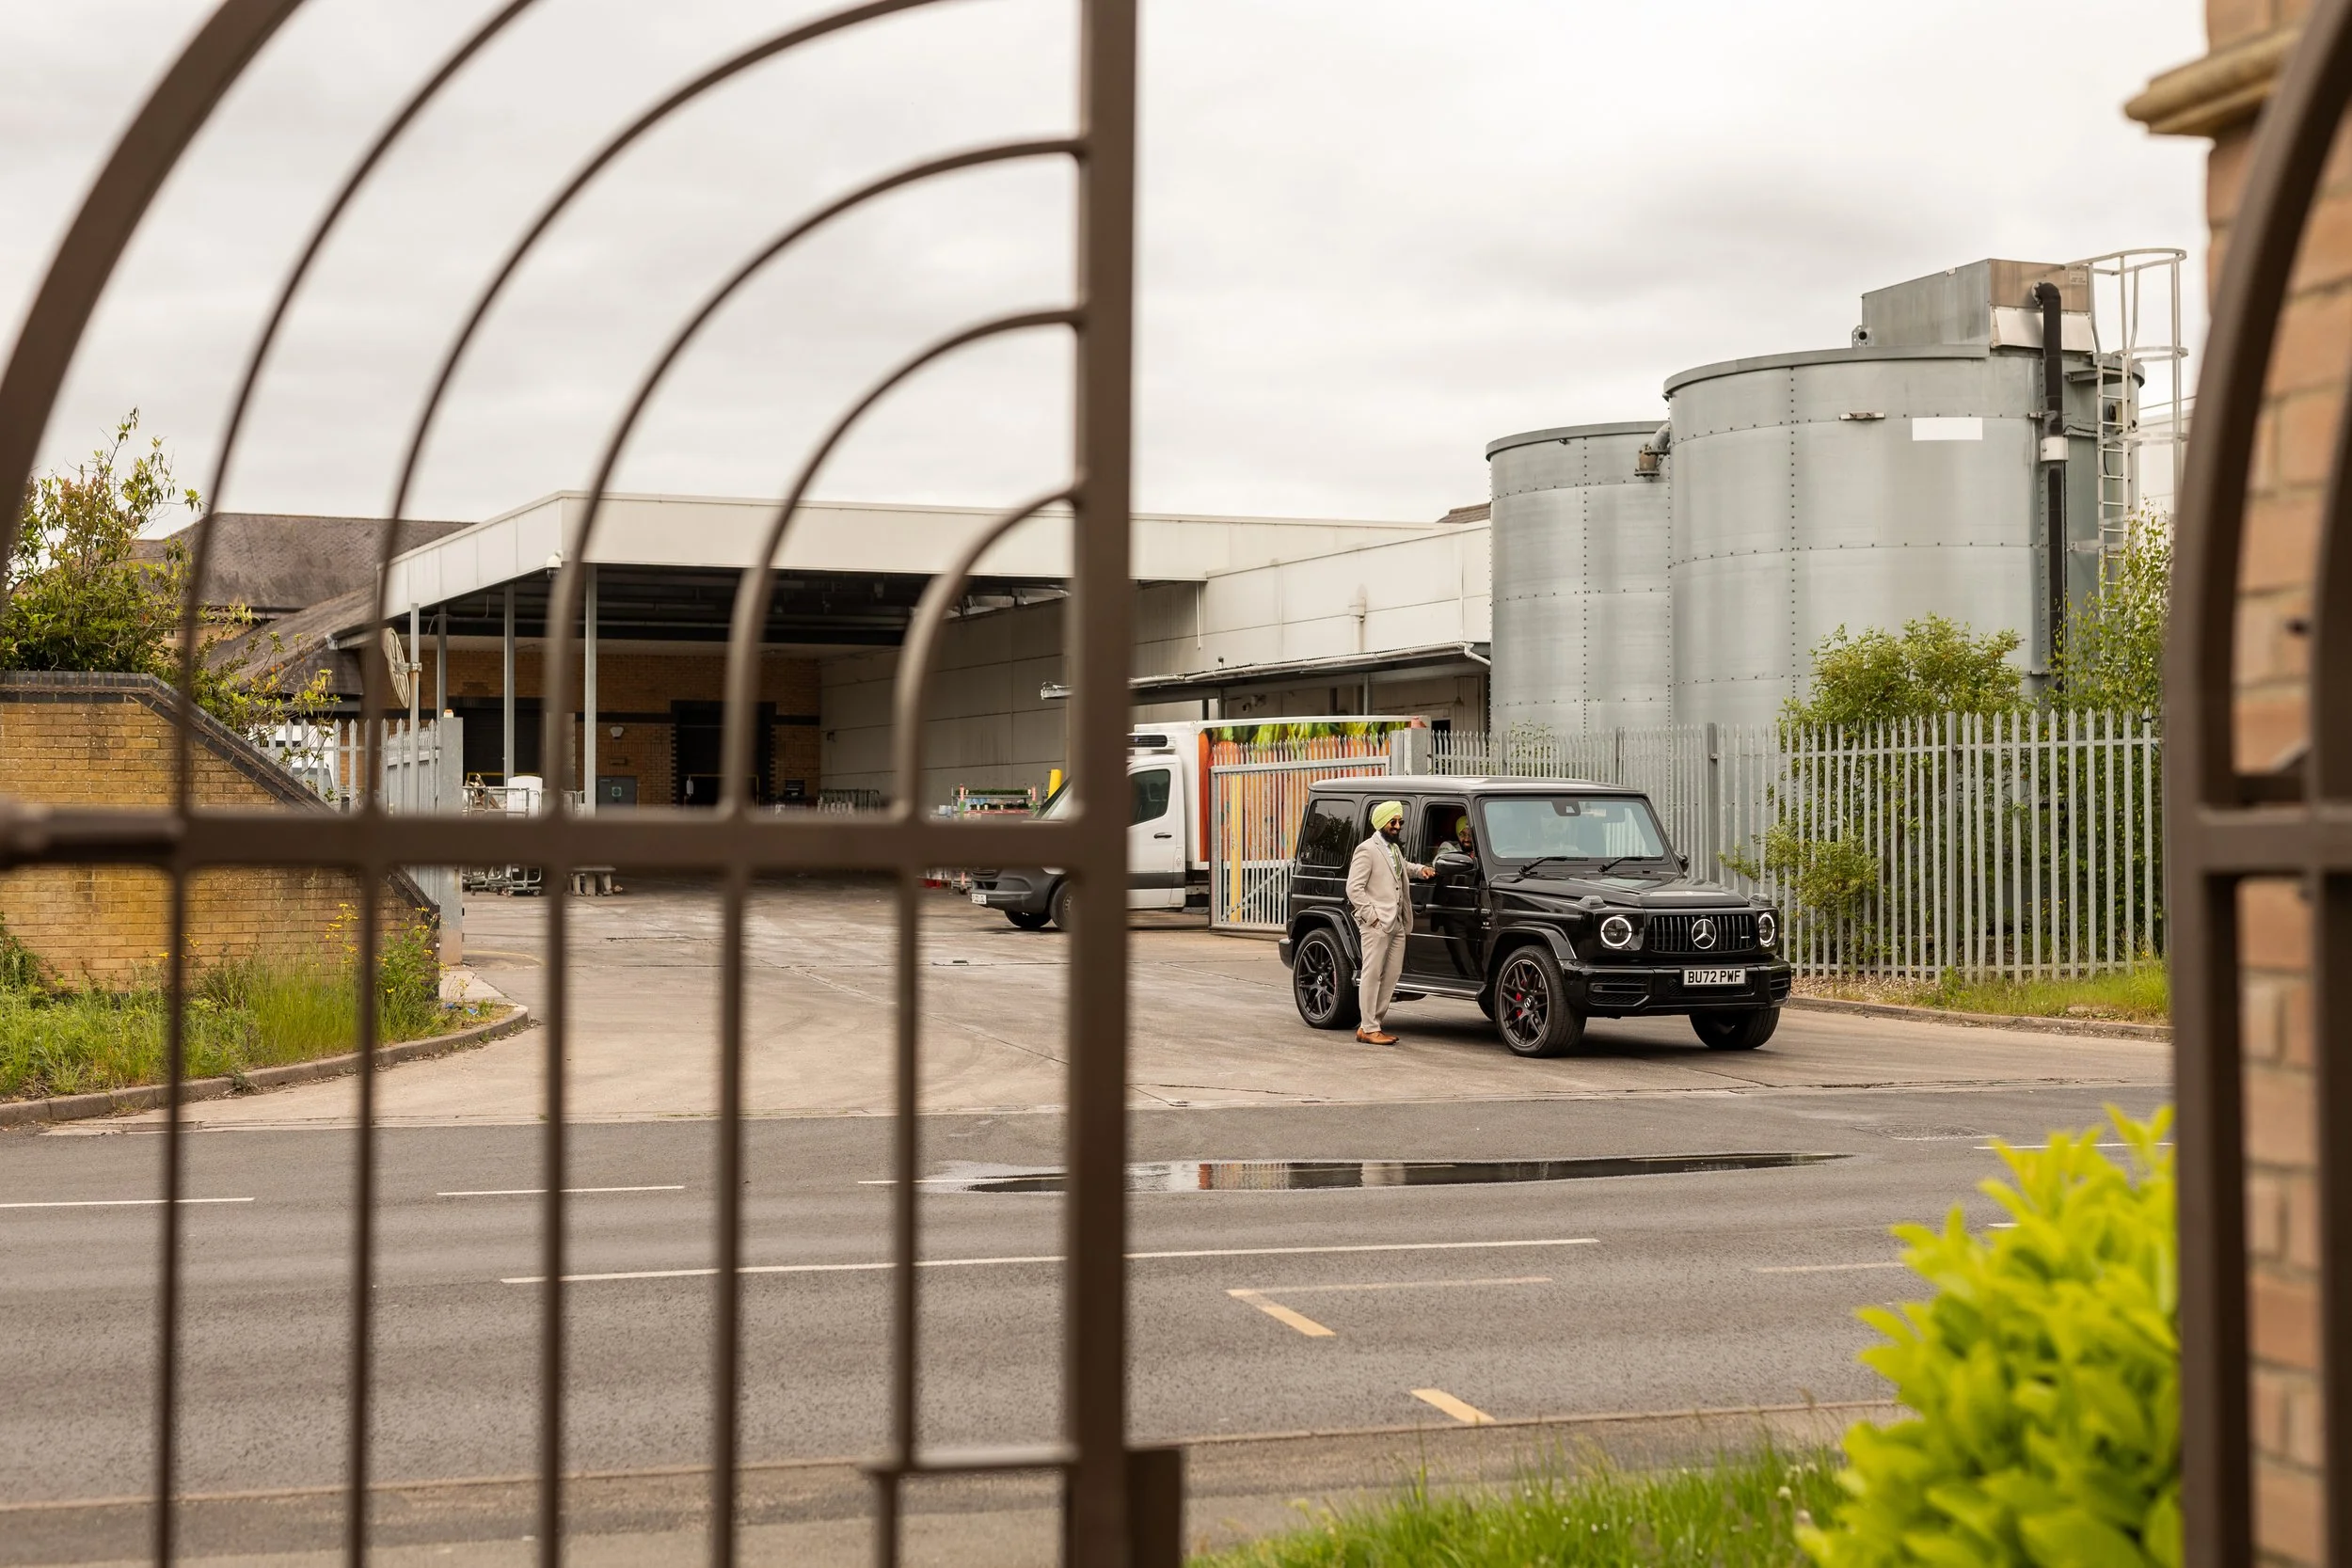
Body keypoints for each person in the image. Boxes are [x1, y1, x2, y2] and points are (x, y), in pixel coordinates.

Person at [1345, 800, 1434, 1044]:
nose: (1397, 826)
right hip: (1377, 924)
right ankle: (1369, 1027)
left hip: (1397, 922)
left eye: (1400, 822)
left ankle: (1372, 1025)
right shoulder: (1367, 849)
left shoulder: (1393, 848)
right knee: (1372, 974)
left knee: (1392, 974)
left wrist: (1420, 870)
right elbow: (1354, 889)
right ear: (1381, 823)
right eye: (1393, 822)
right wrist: (1372, 918)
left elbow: (1399, 868)